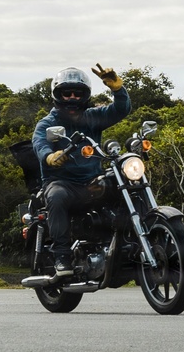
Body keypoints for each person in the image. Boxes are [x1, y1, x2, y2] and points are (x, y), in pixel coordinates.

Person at [31, 64, 132, 275]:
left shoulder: (93, 117)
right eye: (66, 93)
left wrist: (117, 89)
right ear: (57, 95)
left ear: (85, 95)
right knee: (57, 196)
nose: (72, 97)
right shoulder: (47, 123)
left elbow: (120, 110)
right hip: (62, 183)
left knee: (124, 183)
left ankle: (131, 243)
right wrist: (50, 156)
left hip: (92, 182)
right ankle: (62, 257)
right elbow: (40, 144)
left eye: (78, 93)